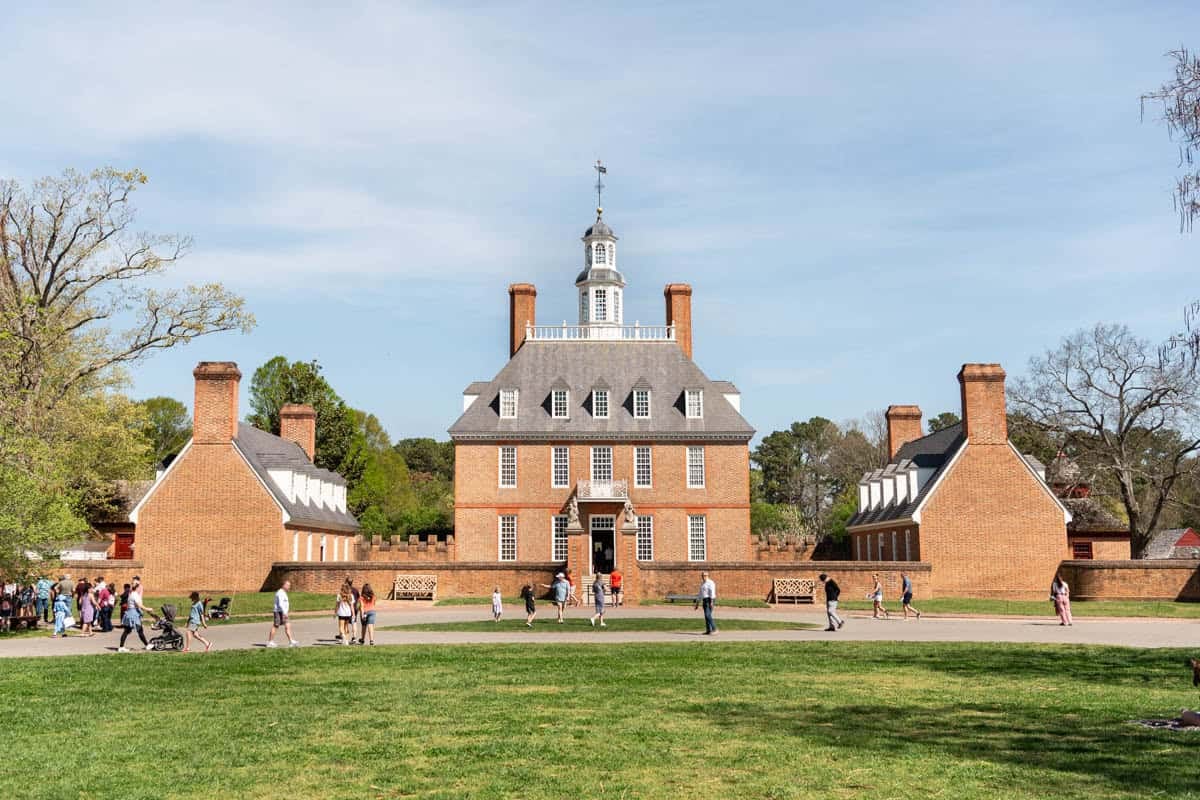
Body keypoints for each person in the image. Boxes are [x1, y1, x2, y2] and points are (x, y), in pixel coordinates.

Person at [118, 576, 154, 652]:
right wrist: (148, 609)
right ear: (137, 588)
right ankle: (147, 645)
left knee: (128, 631)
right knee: (138, 630)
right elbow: (139, 605)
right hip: (133, 614)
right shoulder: (135, 595)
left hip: (130, 613)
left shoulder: (131, 594)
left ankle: (121, 647)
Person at [267, 580, 300, 647]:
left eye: (289, 585)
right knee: (275, 626)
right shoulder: (280, 593)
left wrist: (286, 612)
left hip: (284, 612)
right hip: (279, 612)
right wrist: (285, 613)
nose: (289, 587)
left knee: (288, 625)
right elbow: (281, 604)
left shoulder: (284, 593)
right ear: (283, 585)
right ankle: (270, 642)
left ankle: (291, 641)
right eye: (288, 585)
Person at [51, 574, 74, 638]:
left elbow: (55, 588)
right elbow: (73, 590)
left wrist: (58, 592)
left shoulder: (61, 582)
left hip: (62, 595)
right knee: (67, 611)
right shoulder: (72, 582)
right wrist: (72, 595)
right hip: (69, 596)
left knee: (57, 623)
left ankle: (56, 632)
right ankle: (67, 623)